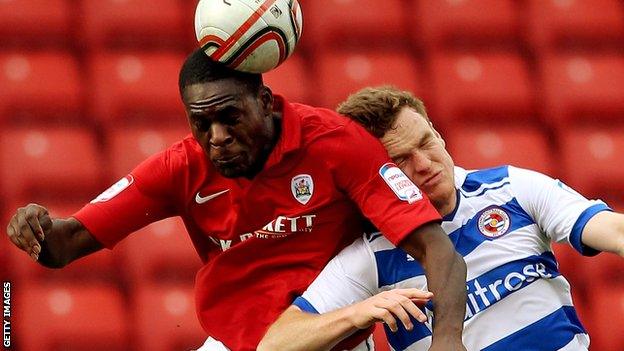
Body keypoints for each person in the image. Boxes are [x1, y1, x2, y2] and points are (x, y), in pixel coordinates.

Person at [4, 51, 468, 351]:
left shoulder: (336, 144)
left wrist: (447, 341)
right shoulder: (178, 168)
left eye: (230, 118)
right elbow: (64, 247)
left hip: (331, 338)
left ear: (264, 101)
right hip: (237, 343)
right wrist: (37, 229)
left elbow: (438, 250)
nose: (217, 138)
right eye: (201, 124)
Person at [258, 86, 624, 351]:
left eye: (425, 142)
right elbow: (275, 345)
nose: (423, 164)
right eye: (400, 160)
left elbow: (612, 229)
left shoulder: (511, 187)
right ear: (375, 172)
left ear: (437, 131)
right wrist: (358, 313)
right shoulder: (371, 255)